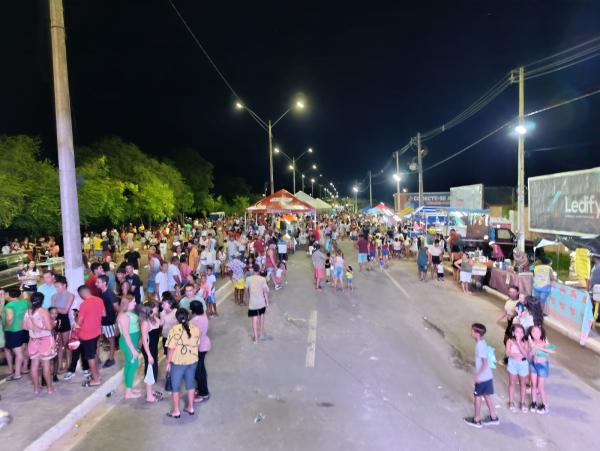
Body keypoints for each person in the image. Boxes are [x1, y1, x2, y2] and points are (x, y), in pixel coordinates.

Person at [165, 308, 200, 418]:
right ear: (188, 317)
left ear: (177, 319)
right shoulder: (195, 329)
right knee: (190, 384)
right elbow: (197, 344)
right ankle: (190, 407)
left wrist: (168, 363)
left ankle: (176, 411)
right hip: (192, 361)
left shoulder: (174, 330)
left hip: (178, 363)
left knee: (175, 387)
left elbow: (171, 348)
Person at [464, 323, 499, 428]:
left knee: (477, 397)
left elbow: (485, 363)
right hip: (488, 376)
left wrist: (478, 376)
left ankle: (477, 419)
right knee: (486, 395)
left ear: (477, 334)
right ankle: (493, 417)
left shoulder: (480, 346)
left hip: (483, 377)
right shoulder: (482, 342)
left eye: (472, 331)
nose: (471, 333)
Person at [23, 292, 56, 394]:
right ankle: (50, 389)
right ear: (42, 300)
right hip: (45, 339)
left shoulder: (27, 312)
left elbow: (25, 327)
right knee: (46, 365)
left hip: (33, 340)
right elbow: (49, 327)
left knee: (34, 365)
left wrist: (33, 327)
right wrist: (52, 324)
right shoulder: (43, 311)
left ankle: (36, 389)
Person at [75, 285, 105, 387]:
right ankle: (97, 374)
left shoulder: (84, 304)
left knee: (89, 356)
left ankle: (96, 379)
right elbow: (103, 314)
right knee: (94, 353)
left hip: (86, 333)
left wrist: (75, 329)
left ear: (81, 294)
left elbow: (80, 321)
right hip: (97, 331)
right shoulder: (99, 300)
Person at [117, 296, 141, 399]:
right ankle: (128, 393)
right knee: (133, 365)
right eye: (133, 302)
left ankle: (129, 387)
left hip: (133, 341)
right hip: (129, 343)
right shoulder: (123, 316)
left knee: (129, 365)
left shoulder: (129, 313)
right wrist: (132, 350)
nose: (135, 304)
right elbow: (126, 334)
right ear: (127, 304)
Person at [528, 325, 555, 414]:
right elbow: (530, 356)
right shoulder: (530, 342)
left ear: (541, 333)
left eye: (538, 332)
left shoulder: (545, 342)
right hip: (533, 364)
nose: (535, 334)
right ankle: (533, 403)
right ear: (530, 333)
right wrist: (533, 347)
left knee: (540, 387)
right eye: (533, 332)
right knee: (533, 385)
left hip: (542, 366)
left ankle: (545, 406)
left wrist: (539, 347)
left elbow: (553, 351)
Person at [3, 289, 30, 380]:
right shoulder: (25, 303)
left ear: (9, 295)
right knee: (24, 350)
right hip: (25, 329)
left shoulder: (9, 305)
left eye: (6, 293)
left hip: (14, 330)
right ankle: (25, 368)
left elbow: (10, 318)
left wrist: (6, 327)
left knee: (18, 353)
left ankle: (17, 374)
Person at [51, 275, 75, 374]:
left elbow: (65, 311)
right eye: (55, 286)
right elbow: (53, 310)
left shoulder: (70, 295)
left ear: (64, 285)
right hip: (56, 320)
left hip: (64, 320)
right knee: (58, 344)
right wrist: (56, 310)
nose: (56, 288)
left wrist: (56, 309)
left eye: (58, 286)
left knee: (66, 344)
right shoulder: (54, 296)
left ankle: (68, 364)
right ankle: (59, 364)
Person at [139, 301, 162, 403]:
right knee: (150, 370)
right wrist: (149, 356)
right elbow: (144, 340)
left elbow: (161, 323)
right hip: (148, 349)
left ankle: (151, 391)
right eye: (156, 307)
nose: (158, 308)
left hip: (153, 348)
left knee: (154, 369)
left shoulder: (154, 318)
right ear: (151, 310)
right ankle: (149, 396)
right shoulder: (145, 323)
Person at [190, 300, 211, 403]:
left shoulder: (195, 321)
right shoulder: (203, 316)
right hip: (205, 344)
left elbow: (194, 336)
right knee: (201, 368)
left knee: (198, 371)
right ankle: (201, 388)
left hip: (199, 347)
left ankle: (203, 393)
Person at [505, 324, 529, 413]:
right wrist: (518, 355)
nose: (520, 333)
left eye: (521, 331)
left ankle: (522, 402)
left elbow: (526, 354)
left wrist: (519, 343)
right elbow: (507, 353)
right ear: (513, 332)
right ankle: (511, 402)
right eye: (517, 331)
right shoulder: (510, 341)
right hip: (513, 364)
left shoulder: (525, 342)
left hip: (523, 364)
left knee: (523, 384)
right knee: (512, 383)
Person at [97, 275, 118, 368]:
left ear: (104, 283)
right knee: (103, 339)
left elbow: (116, 308)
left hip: (109, 320)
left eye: (98, 282)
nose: (96, 283)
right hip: (103, 320)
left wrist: (117, 320)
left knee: (111, 339)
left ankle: (111, 358)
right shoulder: (101, 292)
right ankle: (98, 357)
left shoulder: (110, 294)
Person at [245, 264, 269, 343]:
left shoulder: (248, 279)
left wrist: (248, 298)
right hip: (261, 302)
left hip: (253, 303)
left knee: (254, 320)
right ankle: (261, 335)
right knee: (261, 318)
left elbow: (246, 291)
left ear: (252, 270)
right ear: (259, 270)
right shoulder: (262, 279)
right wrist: (267, 302)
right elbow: (265, 292)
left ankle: (256, 339)